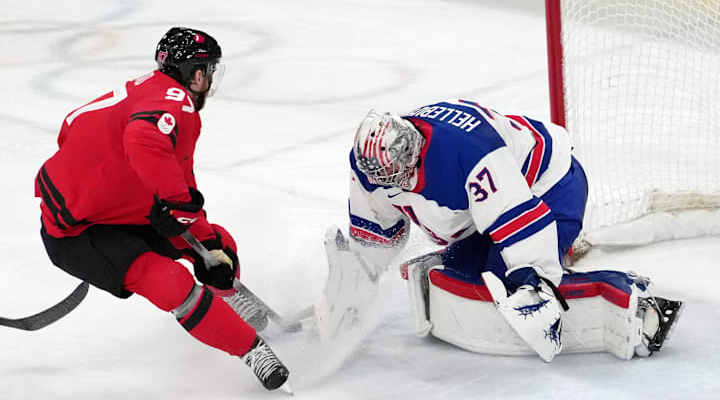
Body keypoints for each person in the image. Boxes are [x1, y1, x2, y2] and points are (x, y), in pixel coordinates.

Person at [315, 99, 682, 361]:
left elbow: (517, 217)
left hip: (549, 186)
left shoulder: (466, 152)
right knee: (458, 273)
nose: (406, 171)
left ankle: (633, 302)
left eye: (408, 159)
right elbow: (376, 238)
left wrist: (533, 279)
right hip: (485, 209)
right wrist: (355, 285)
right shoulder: (368, 170)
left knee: (512, 287)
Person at [35, 27, 289, 391]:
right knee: (169, 281)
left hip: (123, 210)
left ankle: (231, 309)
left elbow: (171, 175)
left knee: (220, 245)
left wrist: (200, 239)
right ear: (197, 74)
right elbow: (143, 139)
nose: (210, 81)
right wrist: (174, 204)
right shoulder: (177, 103)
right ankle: (251, 350)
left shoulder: (153, 90)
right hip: (78, 230)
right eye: (210, 71)